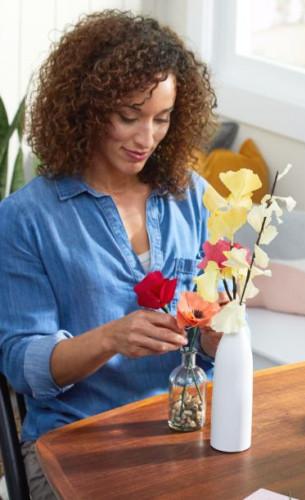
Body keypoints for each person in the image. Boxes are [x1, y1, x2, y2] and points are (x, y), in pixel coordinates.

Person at [0, 10, 220, 499]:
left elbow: (212, 345)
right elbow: (22, 366)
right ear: (88, 107)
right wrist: (110, 338)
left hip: (183, 428)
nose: (147, 139)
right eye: (128, 117)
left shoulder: (193, 197)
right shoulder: (25, 218)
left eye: (162, 119)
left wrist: (219, 334)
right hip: (75, 440)